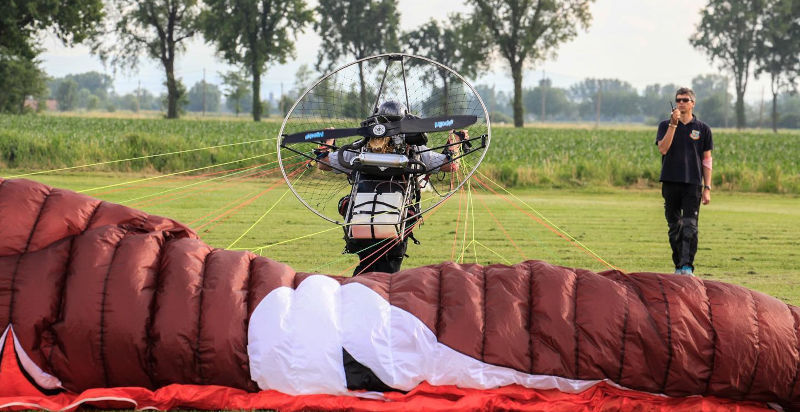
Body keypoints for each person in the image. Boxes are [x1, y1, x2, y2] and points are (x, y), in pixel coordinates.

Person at [316, 101, 463, 275]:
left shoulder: (360, 146)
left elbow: (323, 164)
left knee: (366, 268)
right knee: (388, 277)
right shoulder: (414, 149)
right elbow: (450, 166)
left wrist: (327, 142)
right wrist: (455, 142)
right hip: (394, 229)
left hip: (362, 226)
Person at [656, 87, 713, 276]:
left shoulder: (703, 129)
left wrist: (707, 187)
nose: (681, 103)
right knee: (675, 226)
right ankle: (678, 265)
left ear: (693, 104)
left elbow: (707, 159)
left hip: (693, 184)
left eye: (685, 100)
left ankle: (687, 266)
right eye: (678, 100)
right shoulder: (665, 125)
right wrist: (674, 124)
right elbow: (663, 149)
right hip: (670, 181)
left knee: (690, 226)